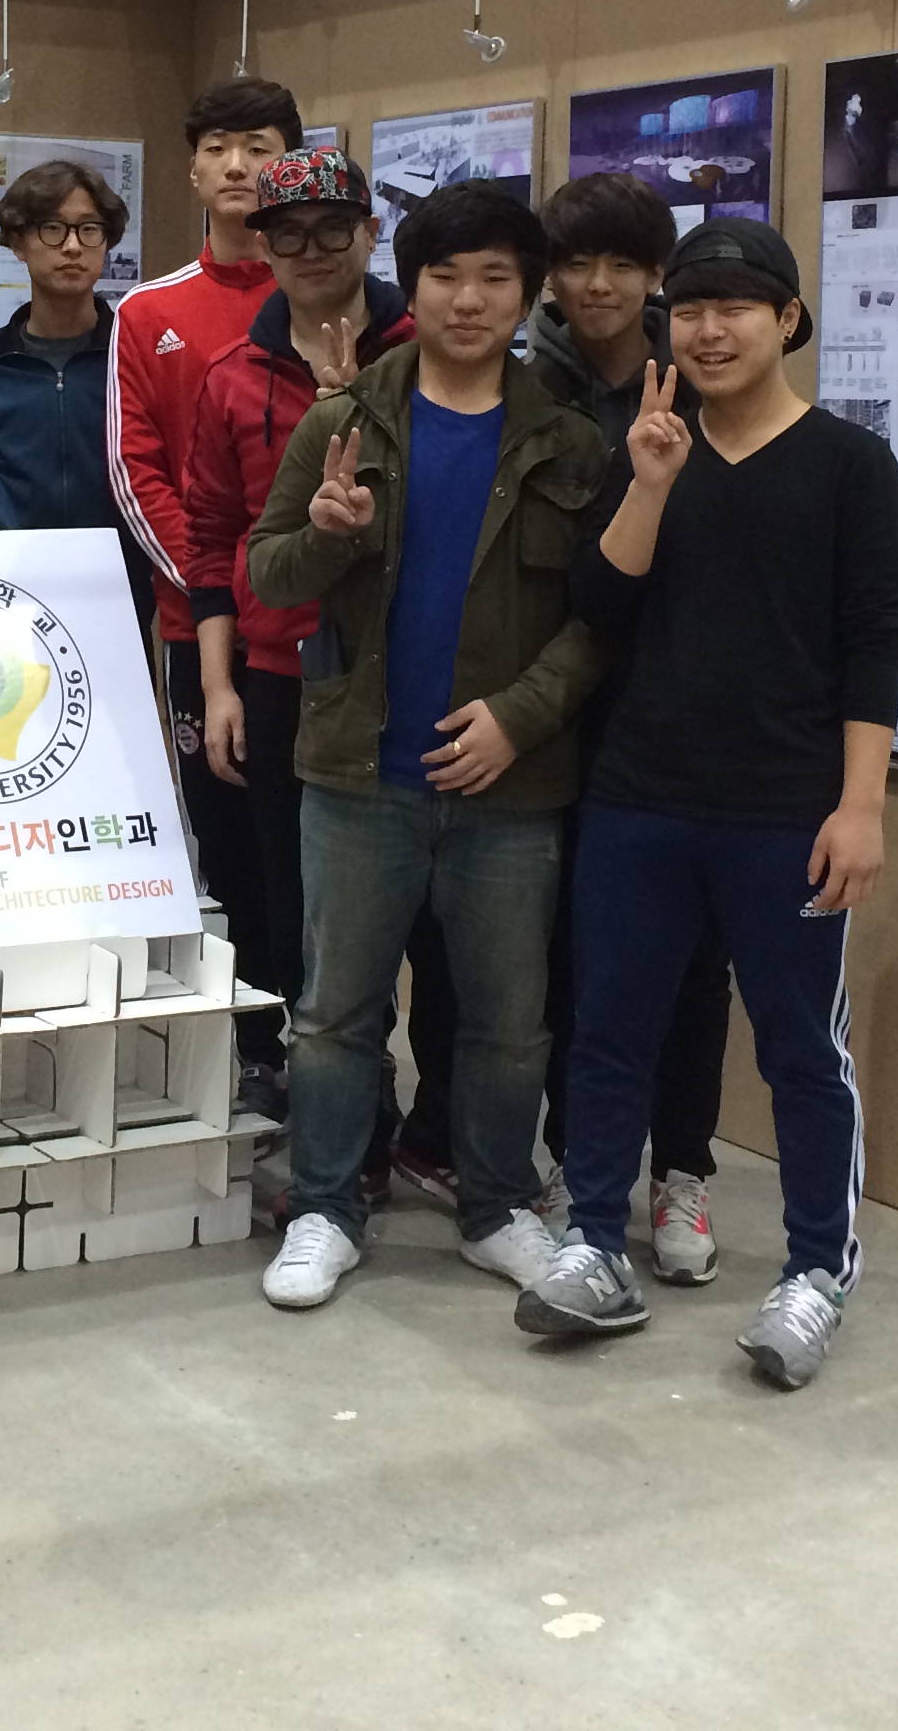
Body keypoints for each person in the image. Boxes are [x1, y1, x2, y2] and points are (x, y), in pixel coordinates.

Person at [516, 216, 898, 1392]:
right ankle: (595, 1245)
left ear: (787, 319)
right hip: (639, 796)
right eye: (689, 309)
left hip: (786, 811)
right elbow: (601, 606)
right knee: (609, 1028)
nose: (710, 329)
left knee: (801, 1049)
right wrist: (648, 484)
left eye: (736, 307)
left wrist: (862, 807)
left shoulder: (851, 466)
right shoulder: (648, 448)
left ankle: (816, 1271)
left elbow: (875, 645)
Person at [243, 183, 608, 1311]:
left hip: (511, 787)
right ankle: (324, 1206)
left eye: (496, 277)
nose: (469, 299)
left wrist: (519, 717)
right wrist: (325, 536)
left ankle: (495, 1206)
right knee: (334, 1015)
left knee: (507, 1024)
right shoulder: (344, 422)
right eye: (446, 276)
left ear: (527, 294)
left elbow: (602, 620)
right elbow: (267, 573)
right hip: (359, 775)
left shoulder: (569, 441)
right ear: (414, 284)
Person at [180, 149, 414, 1129]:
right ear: (264, 248)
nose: (312, 251)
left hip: (404, 670)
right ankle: (317, 1092)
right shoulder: (233, 377)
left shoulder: (429, 358)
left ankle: (392, 1097)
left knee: (408, 907)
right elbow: (209, 539)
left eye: (333, 229)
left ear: (370, 231)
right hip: (277, 672)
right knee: (289, 896)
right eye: (289, 235)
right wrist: (219, 686)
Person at [524, 174, 725, 1286]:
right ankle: (578, 1163)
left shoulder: (703, 382)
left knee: (697, 959)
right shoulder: (526, 385)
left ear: (656, 274)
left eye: (622, 264)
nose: (596, 285)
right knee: (576, 955)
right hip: (565, 706)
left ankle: (682, 1169)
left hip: (685, 701)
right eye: (575, 262)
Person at [108, 78, 300, 1090]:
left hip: (322, 636)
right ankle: (258, 1050)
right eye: (219, 148)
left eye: (259, 146)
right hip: (199, 631)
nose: (238, 166)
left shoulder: (331, 302)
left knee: (325, 852)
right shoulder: (149, 312)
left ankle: (342, 1056)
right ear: (190, 169)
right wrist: (221, 584)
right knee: (231, 848)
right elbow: (135, 469)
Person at [0, 157, 152, 617]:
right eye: (53, 229)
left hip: (115, 588)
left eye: (89, 230)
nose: (73, 246)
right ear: (19, 243)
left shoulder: (135, 359)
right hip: (2, 590)